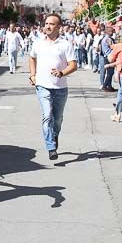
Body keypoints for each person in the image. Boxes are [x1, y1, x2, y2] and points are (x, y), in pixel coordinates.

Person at [28, 14, 77, 160]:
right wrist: (33, 75)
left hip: (60, 88)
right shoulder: (38, 43)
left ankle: (54, 135)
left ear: (59, 27)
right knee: (47, 115)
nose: (47, 26)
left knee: (57, 119)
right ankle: (51, 147)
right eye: (46, 23)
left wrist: (62, 72)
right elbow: (32, 58)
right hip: (43, 86)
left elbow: (73, 65)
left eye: (51, 24)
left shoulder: (65, 44)